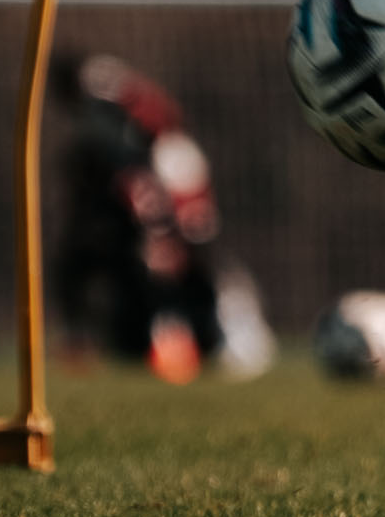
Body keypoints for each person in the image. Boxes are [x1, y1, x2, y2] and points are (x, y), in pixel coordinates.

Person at [50, 53, 270, 382]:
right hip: (148, 193)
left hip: (163, 187)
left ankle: (222, 333)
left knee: (186, 260)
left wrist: (162, 229)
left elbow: (148, 152)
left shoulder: (132, 132)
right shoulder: (113, 108)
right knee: (128, 272)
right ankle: (143, 337)